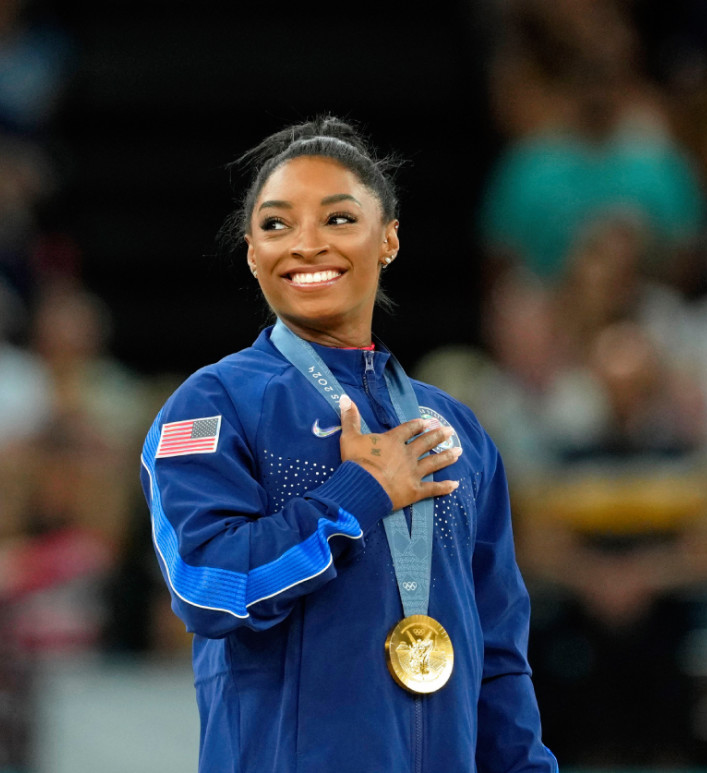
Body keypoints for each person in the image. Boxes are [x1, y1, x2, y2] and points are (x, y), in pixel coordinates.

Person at [139, 117, 557, 773]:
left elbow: (499, 653)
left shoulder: (458, 431)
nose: (307, 244)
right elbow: (207, 584)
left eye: (338, 219)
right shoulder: (212, 404)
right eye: (277, 224)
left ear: (387, 237)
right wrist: (357, 494)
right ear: (252, 251)